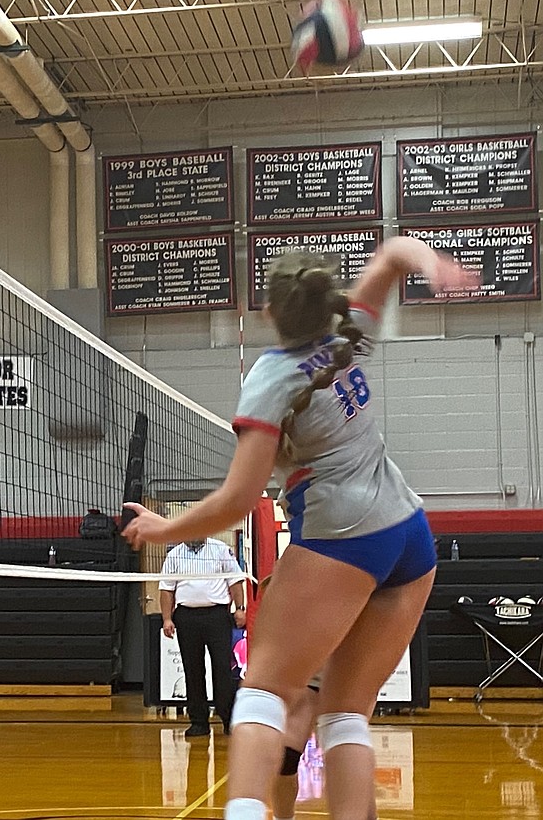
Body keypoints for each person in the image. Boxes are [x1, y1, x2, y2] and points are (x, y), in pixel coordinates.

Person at [124, 236, 477, 820]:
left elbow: (238, 501)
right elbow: (393, 252)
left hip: (345, 536)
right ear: (327, 299)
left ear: (269, 312)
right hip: (410, 535)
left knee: (261, 693)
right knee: (344, 715)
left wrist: (165, 528)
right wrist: (431, 264)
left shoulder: (272, 376)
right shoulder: (348, 334)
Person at [159, 538, 245, 736]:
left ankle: (229, 719)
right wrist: (166, 619)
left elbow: (235, 580)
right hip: (187, 617)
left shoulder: (220, 549)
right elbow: (166, 589)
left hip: (217, 615)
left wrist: (240, 609)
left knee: (223, 668)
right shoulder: (175, 554)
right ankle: (199, 722)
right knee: (193, 669)